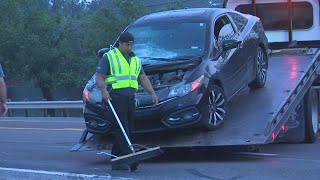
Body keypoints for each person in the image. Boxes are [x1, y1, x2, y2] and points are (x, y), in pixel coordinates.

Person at [95, 32, 158, 171]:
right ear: (120, 44)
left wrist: (152, 93)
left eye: (131, 45)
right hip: (115, 98)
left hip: (130, 99)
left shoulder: (135, 59)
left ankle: (116, 159)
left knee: (128, 129)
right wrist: (104, 90)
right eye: (127, 45)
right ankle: (130, 157)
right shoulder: (109, 57)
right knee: (122, 128)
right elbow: (99, 76)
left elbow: (142, 77)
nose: (130, 47)